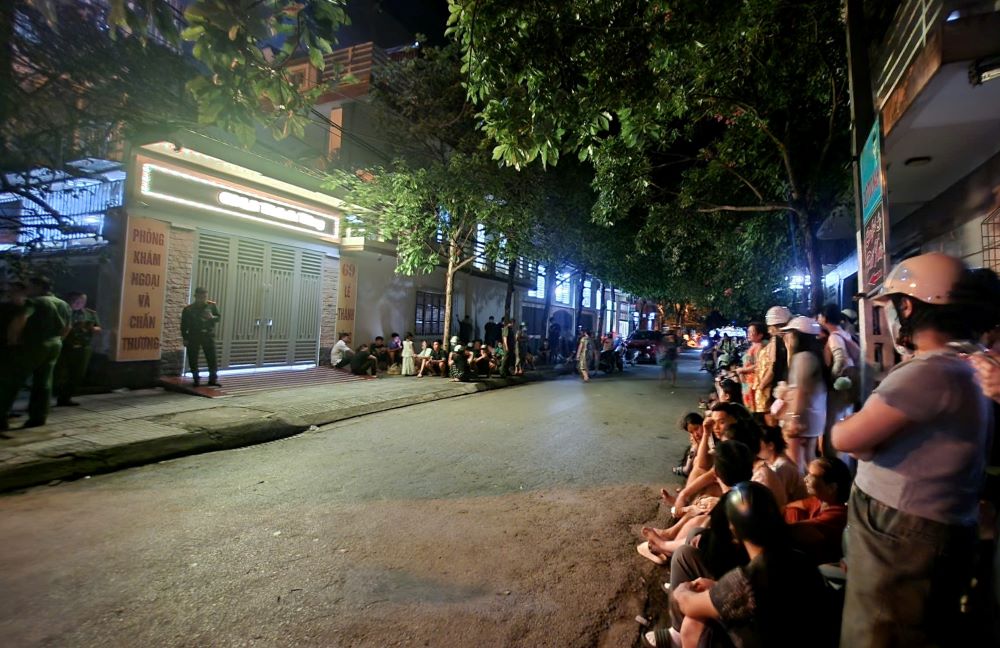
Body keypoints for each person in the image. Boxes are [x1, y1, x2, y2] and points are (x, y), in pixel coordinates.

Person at [832, 253, 995, 648]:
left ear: (909, 306)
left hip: (903, 533)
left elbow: (845, 439)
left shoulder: (929, 372)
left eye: (893, 305)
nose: (891, 317)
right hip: (930, 527)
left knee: (877, 631)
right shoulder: (966, 363)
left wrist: (849, 430)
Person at [662, 482, 831, 648]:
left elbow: (686, 603)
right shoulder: (801, 559)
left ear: (734, 533)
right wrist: (716, 589)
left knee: (693, 624)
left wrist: (684, 589)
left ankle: (676, 639)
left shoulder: (746, 581)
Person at [0, 276, 71, 432]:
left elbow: (21, 318)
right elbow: (67, 327)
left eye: (30, 286)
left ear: (38, 287)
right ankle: (38, 417)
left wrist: (13, 340)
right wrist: (57, 340)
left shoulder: (35, 302)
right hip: (54, 345)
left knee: (12, 380)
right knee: (44, 381)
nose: (28, 290)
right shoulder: (63, 304)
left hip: (33, 345)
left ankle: (1, 416)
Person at [778, 316, 827, 474]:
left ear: (798, 336)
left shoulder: (802, 358)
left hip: (802, 416)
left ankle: (803, 491)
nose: (787, 338)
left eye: (790, 334)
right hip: (814, 415)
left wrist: (793, 418)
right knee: (808, 457)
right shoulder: (814, 356)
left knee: (797, 460)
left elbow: (799, 390)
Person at [784, 457, 851, 566]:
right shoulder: (818, 501)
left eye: (812, 476)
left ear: (831, 487)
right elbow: (787, 507)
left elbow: (793, 530)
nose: (805, 478)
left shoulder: (838, 514)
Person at [817, 304, 861, 454]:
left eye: (819, 316)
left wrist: (833, 378)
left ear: (824, 318)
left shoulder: (834, 336)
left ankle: (836, 458)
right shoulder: (844, 333)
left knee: (835, 421)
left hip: (843, 382)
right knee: (846, 418)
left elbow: (840, 358)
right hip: (852, 378)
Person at [54, 292, 101, 406]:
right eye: (76, 301)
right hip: (66, 346)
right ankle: (55, 395)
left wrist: (92, 328)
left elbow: (98, 328)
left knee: (77, 374)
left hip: (83, 347)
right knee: (60, 373)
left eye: (82, 301)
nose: (79, 303)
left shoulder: (90, 314)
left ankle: (66, 398)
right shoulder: (64, 312)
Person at [181, 287, 221, 388]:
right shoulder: (188, 309)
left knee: (212, 358)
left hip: (208, 335)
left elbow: (218, 317)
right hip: (194, 335)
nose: (202, 299)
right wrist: (185, 338)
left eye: (204, 297)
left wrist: (212, 318)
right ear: (195, 296)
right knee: (193, 358)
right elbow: (183, 325)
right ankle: (196, 379)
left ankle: (212, 379)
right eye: (200, 297)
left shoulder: (211, 306)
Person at [755, 306, 791, 414]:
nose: (769, 330)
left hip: (777, 387)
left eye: (770, 327)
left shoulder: (779, 340)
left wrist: (761, 386)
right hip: (784, 386)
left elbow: (772, 368)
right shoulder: (787, 339)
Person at [735, 322, 765, 411]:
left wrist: (742, 370)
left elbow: (758, 365)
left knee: (751, 406)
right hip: (746, 381)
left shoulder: (759, 347)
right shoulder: (753, 346)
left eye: (751, 332)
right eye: (748, 331)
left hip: (752, 381)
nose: (748, 334)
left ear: (760, 335)